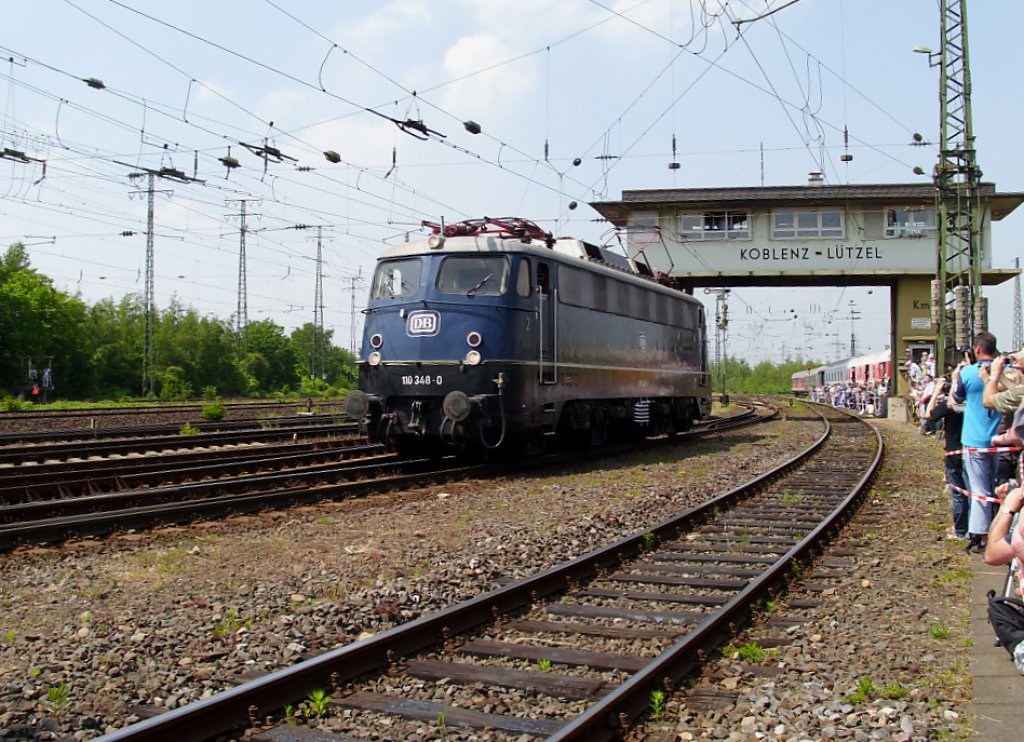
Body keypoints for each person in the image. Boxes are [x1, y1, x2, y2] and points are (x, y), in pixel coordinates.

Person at [953, 332, 1003, 553]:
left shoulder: (968, 372)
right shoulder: (1005, 373)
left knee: (980, 490)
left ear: (977, 349)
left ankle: (982, 537)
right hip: (1001, 440)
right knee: (998, 487)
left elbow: (957, 399)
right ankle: (995, 531)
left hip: (974, 438)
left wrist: (959, 375)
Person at [927, 378, 968, 540]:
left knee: (958, 495)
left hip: (954, 454)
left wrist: (936, 390)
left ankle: (960, 530)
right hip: (974, 452)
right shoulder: (975, 404)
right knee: (974, 492)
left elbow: (928, 414)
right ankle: (974, 530)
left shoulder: (950, 406)